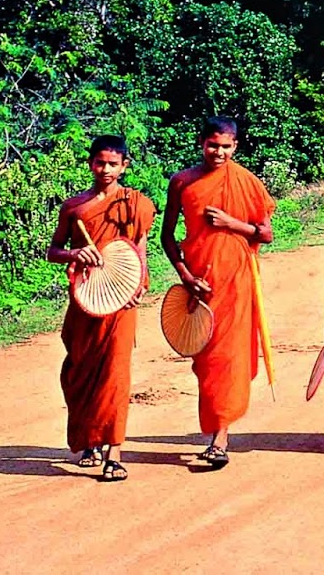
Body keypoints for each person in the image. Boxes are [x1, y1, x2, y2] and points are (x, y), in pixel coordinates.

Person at [161, 117, 276, 468]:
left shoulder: (246, 182)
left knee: (227, 358)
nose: (219, 152)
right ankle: (215, 429)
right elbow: (167, 236)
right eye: (213, 145)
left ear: (235, 147)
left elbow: (266, 234)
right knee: (206, 361)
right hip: (199, 281)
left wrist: (232, 224)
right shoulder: (183, 182)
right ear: (201, 143)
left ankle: (219, 438)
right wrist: (185, 275)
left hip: (237, 282)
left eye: (226, 146)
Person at [46, 135, 157, 482]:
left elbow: (139, 248)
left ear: (125, 165)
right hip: (85, 299)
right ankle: (90, 440)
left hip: (122, 300)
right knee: (80, 371)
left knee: (115, 374)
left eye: (113, 163)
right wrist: (74, 254)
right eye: (100, 162)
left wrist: (138, 284)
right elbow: (53, 250)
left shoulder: (135, 203)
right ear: (90, 163)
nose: (106, 169)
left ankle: (115, 452)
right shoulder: (74, 208)